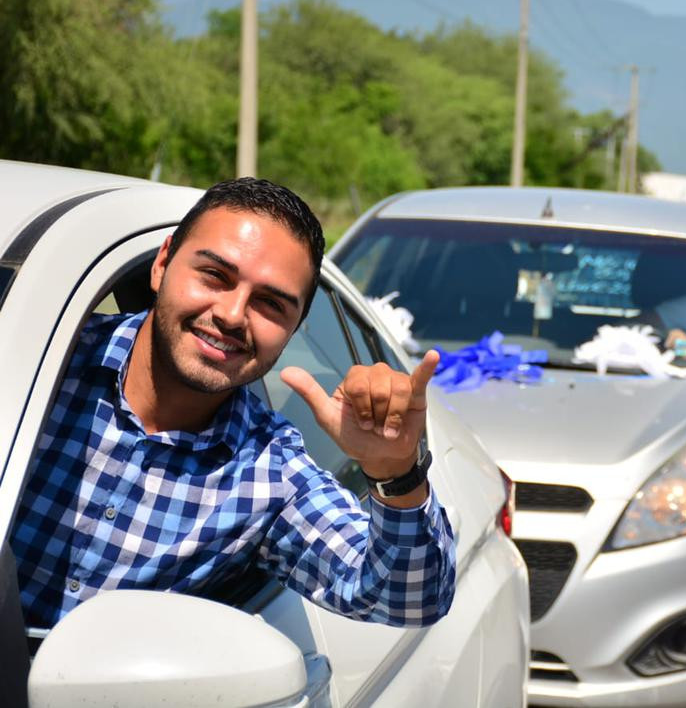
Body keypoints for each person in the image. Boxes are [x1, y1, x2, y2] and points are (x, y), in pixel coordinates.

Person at [10, 179, 455, 632]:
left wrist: (395, 470)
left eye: (270, 304)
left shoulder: (267, 472)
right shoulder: (30, 360)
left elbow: (411, 601)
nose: (232, 315)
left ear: (295, 328)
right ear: (162, 264)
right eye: (215, 276)